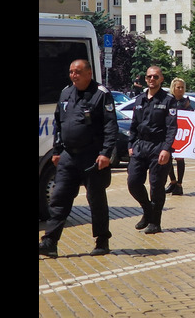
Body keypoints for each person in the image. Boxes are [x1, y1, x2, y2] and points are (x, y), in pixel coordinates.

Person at [39, 60, 118, 258]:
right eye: (71, 72)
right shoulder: (66, 92)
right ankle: (50, 241)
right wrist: (57, 151)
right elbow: (59, 123)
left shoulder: (101, 93)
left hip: (93, 156)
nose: (74, 75)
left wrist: (106, 153)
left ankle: (102, 240)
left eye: (78, 72)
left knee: (96, 200)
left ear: (89, 73)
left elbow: (110, 126)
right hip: (68, 156)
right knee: (59, 199)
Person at [126, 65, 178, 234]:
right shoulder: (140, 99)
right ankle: (148, 210)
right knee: (133, 182)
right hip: (140, 146)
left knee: (156, 186)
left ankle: (155, 222)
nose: (152, 80)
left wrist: (166, 149)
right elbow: (133, 125)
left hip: (159, 147)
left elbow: (172, 127)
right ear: (145, 79)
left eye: (155, 77)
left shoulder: (168, 100)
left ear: (161, 79)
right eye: (149, 77)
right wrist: (130, 145)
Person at [165, 78, 193, 195]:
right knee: (167, 158)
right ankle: (173, 181)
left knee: (180, 159)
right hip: (168, 134)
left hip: (181, 134)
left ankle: (179, 184)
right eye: (178, 87)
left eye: (182, 87)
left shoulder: (186, 103)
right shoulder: (168, 101)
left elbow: (192, 117)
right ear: (173, 88)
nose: (180, 90)